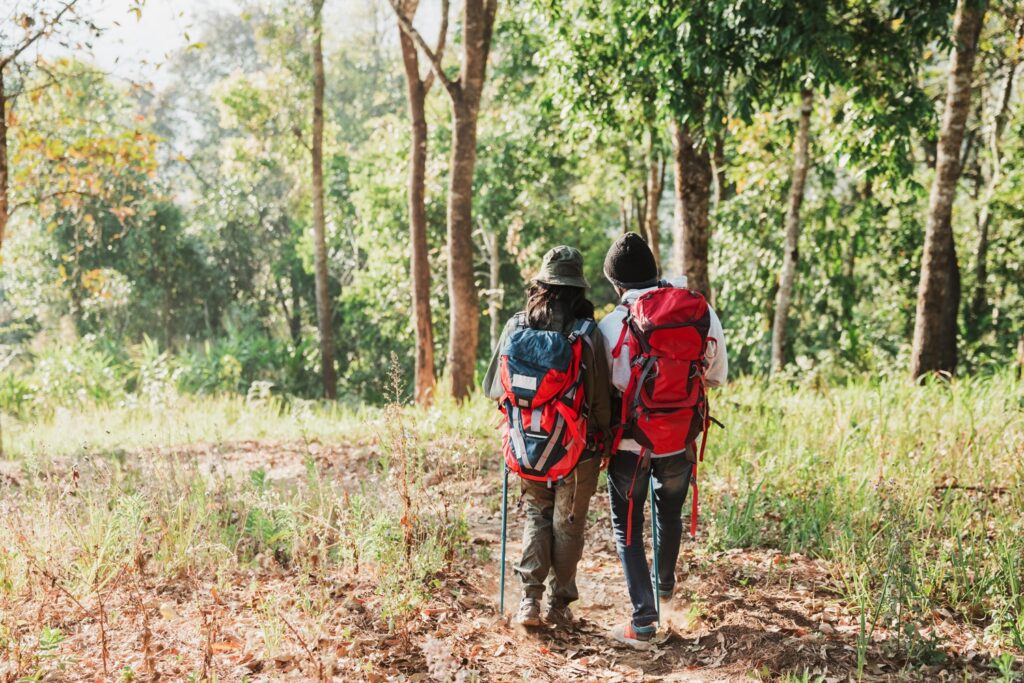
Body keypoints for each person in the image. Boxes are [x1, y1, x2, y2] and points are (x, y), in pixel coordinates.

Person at [597, 233, 728, 645]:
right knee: (668, 513)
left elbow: (605, 391)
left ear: (616, 284)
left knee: (629, 530)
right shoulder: (698, 311)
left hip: (629, 445)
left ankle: (644, 621)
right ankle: (664, 587)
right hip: (680, 437)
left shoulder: (611, 324)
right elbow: (716, 375)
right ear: (655, 274)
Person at [483, 245, 612, 627]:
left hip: (526, 444)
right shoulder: (587, 333)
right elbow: (601, 398)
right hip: (578, 446)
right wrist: (604, 438)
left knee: (536, 514)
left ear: (540, 284)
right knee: (567, 523)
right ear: (579, 289)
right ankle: (559, 604)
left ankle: (528, 601)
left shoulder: (515, 326)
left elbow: (493, 388)